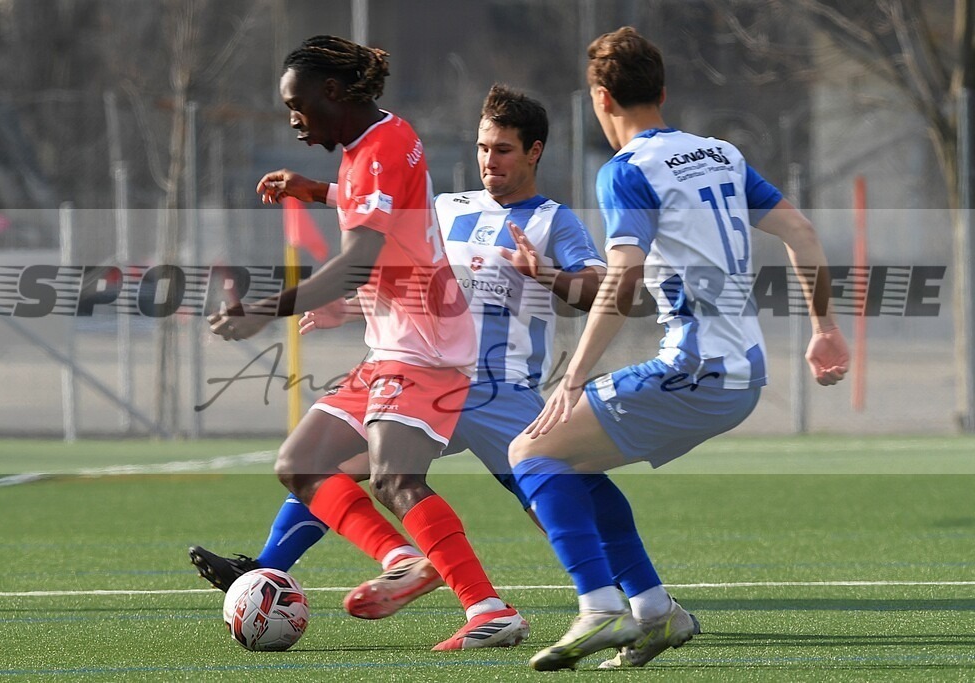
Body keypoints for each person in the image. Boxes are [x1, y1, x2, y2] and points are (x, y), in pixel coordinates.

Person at [191, 84, 607, 641]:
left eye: (504, 150)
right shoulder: (450, 206)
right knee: (328, 467)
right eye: (483, 148)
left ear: (534, 152)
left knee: (545, 493)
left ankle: (624, 591)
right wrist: (315, 194)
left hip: (497, 388)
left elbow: (599, 289)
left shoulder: (554, 221)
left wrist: (545, 274)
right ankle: (266, 572)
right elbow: (380, 217)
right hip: (420, 372)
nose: (490, 160)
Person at [507, 27, 851, 671]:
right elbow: (801, 232)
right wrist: (824, 327)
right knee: (572, 462)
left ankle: (600, 608)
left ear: (600, 97)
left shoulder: (626, 170)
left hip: (693, 369)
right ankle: (656, 610)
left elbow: (623, 277)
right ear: (661, 91)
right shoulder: (720, 152)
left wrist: (575, 375)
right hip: (744, 371)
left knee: (529, 449)